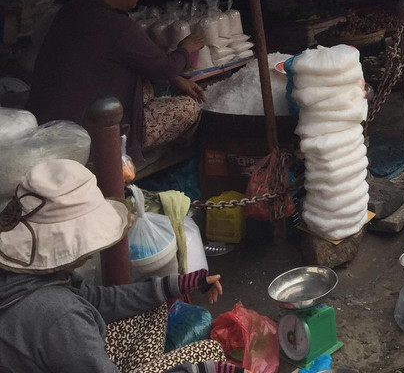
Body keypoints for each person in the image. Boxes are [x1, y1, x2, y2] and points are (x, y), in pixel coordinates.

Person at [0, 159, 237, 373]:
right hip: (68, 342)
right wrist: (205, 370)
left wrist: (183, 283)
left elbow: (96, 299)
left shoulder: (28, 278)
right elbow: (67, 319)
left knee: (153, 307)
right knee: (208, 352)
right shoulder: (61, 316)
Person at [28, 0, 205, 167]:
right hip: (88, 137)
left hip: (47, 122)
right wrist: (185, 50)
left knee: (148, 87)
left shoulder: (72, 10)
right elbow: (165, 68)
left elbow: (143, 65)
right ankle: (137, 160)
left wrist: (175, 79)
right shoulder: (118, 27)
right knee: (190, 108)